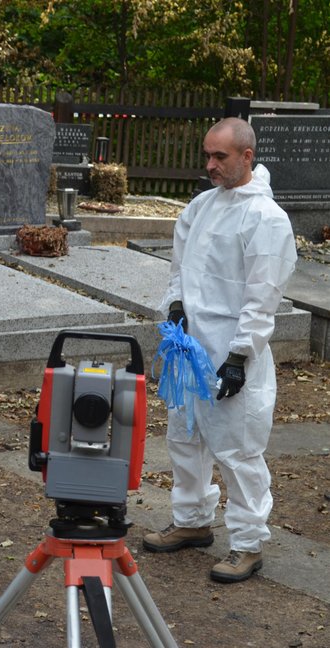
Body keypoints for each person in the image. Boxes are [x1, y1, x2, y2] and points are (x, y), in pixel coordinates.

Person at [143, 117, 297, 583]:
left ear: (247, 157)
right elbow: (180, 267)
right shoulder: (201, 206)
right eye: (207, 154)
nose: (209, 165)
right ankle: (191, 522)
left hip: (233, 352)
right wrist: (175, 305)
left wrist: (238, 358)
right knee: (184, 438)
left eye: (220, 157)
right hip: (190, 350)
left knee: (237, 449)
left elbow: (262, 296)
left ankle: (248, 544)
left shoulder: (266, 219)